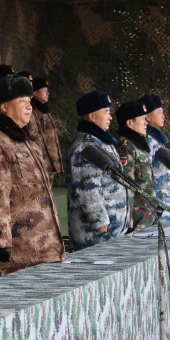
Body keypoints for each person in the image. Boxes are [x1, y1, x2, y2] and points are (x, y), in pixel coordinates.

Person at [0, 75, 64, 278]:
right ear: (4, 107)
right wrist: (0, 241)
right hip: (18, 256)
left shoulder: (25, 141)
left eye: (30, 101)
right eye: (22, 101)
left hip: (44, 249)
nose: (29, 106)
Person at [68, 90, 130, 250]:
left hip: (109, 233)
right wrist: (99, 220)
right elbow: (87, 186)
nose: (110, 117)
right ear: (92, 115)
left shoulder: (100, 141)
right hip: (95, 236)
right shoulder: (86, 146)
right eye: (106, 112)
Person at [115, 100, 155, 231]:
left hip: (145, 219)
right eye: (142, 118)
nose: (146, 122)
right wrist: (129, 224)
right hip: (136, 223)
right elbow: (127, 187)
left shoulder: (138, 146)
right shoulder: (126, 148)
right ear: (130, 123)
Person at [140, 93, 170, 222]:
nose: (163, 116)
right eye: (159, 112)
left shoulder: (157, 141)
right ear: (148, 116)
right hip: (155, 212)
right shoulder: (147, 142)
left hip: (164, 209)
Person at [29, 75, 64, 187]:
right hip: (39, 162)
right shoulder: (32, 111)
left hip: (48, 163)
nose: (48, 93)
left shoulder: (43, 110)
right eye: (45, 91)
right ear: (35, 92)